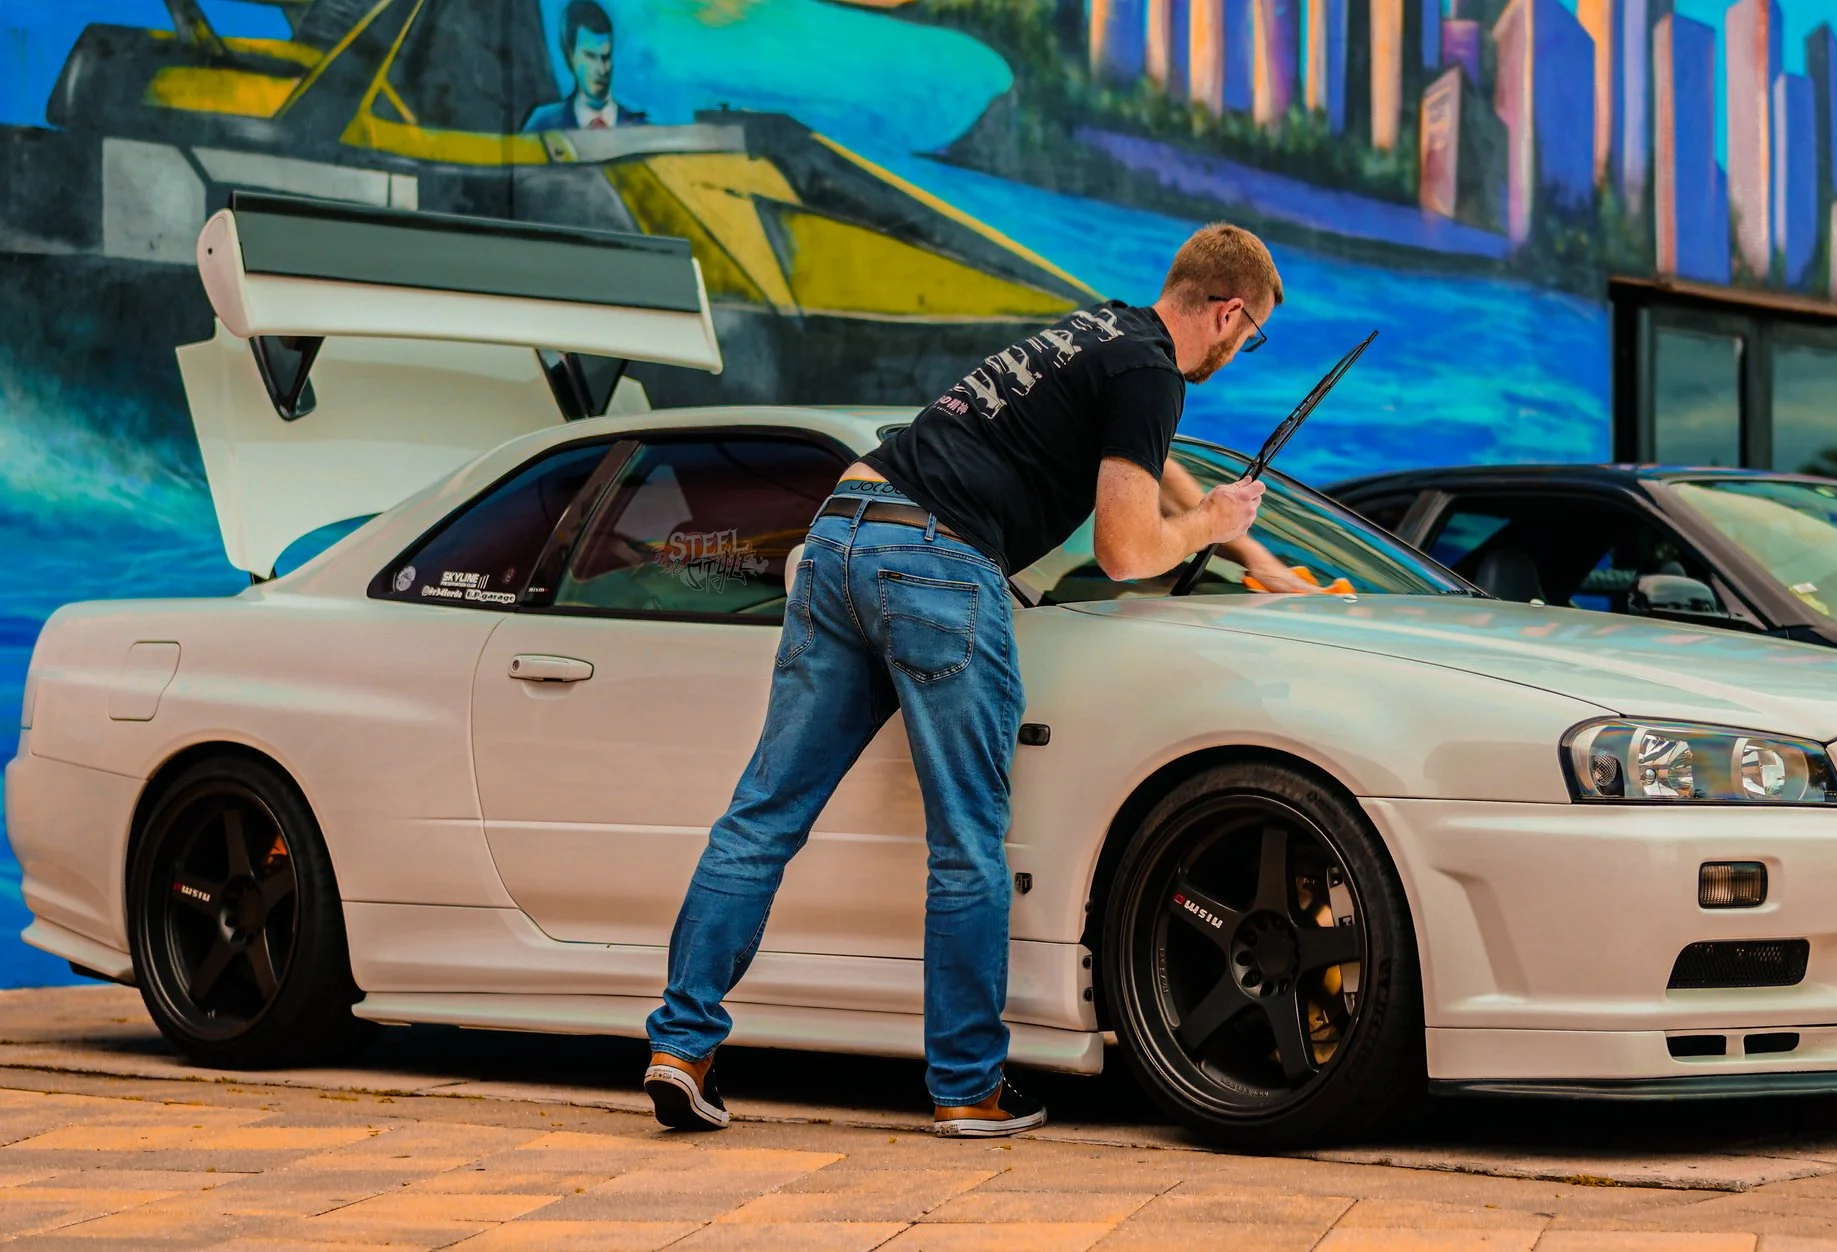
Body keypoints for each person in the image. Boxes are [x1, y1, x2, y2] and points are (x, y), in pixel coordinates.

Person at [643, 224, 1311, 1137]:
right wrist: (1202, 531)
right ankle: (968, 1086)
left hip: (844, 530)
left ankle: (679, 1046)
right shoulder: (1153, 372)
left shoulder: (1102, 334)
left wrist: (1256, 552)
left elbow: (1153, 464)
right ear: (1231, 313)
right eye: (1253, 334)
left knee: (764, 814)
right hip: (937, 562)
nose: (1244, 351)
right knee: (966, 839)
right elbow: (1123, 552)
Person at [523, 0, 648, 133]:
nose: (601, 69)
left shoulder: (640, 128)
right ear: (570, 56)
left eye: (605, 57)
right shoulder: (543, 126)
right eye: (591, 57)